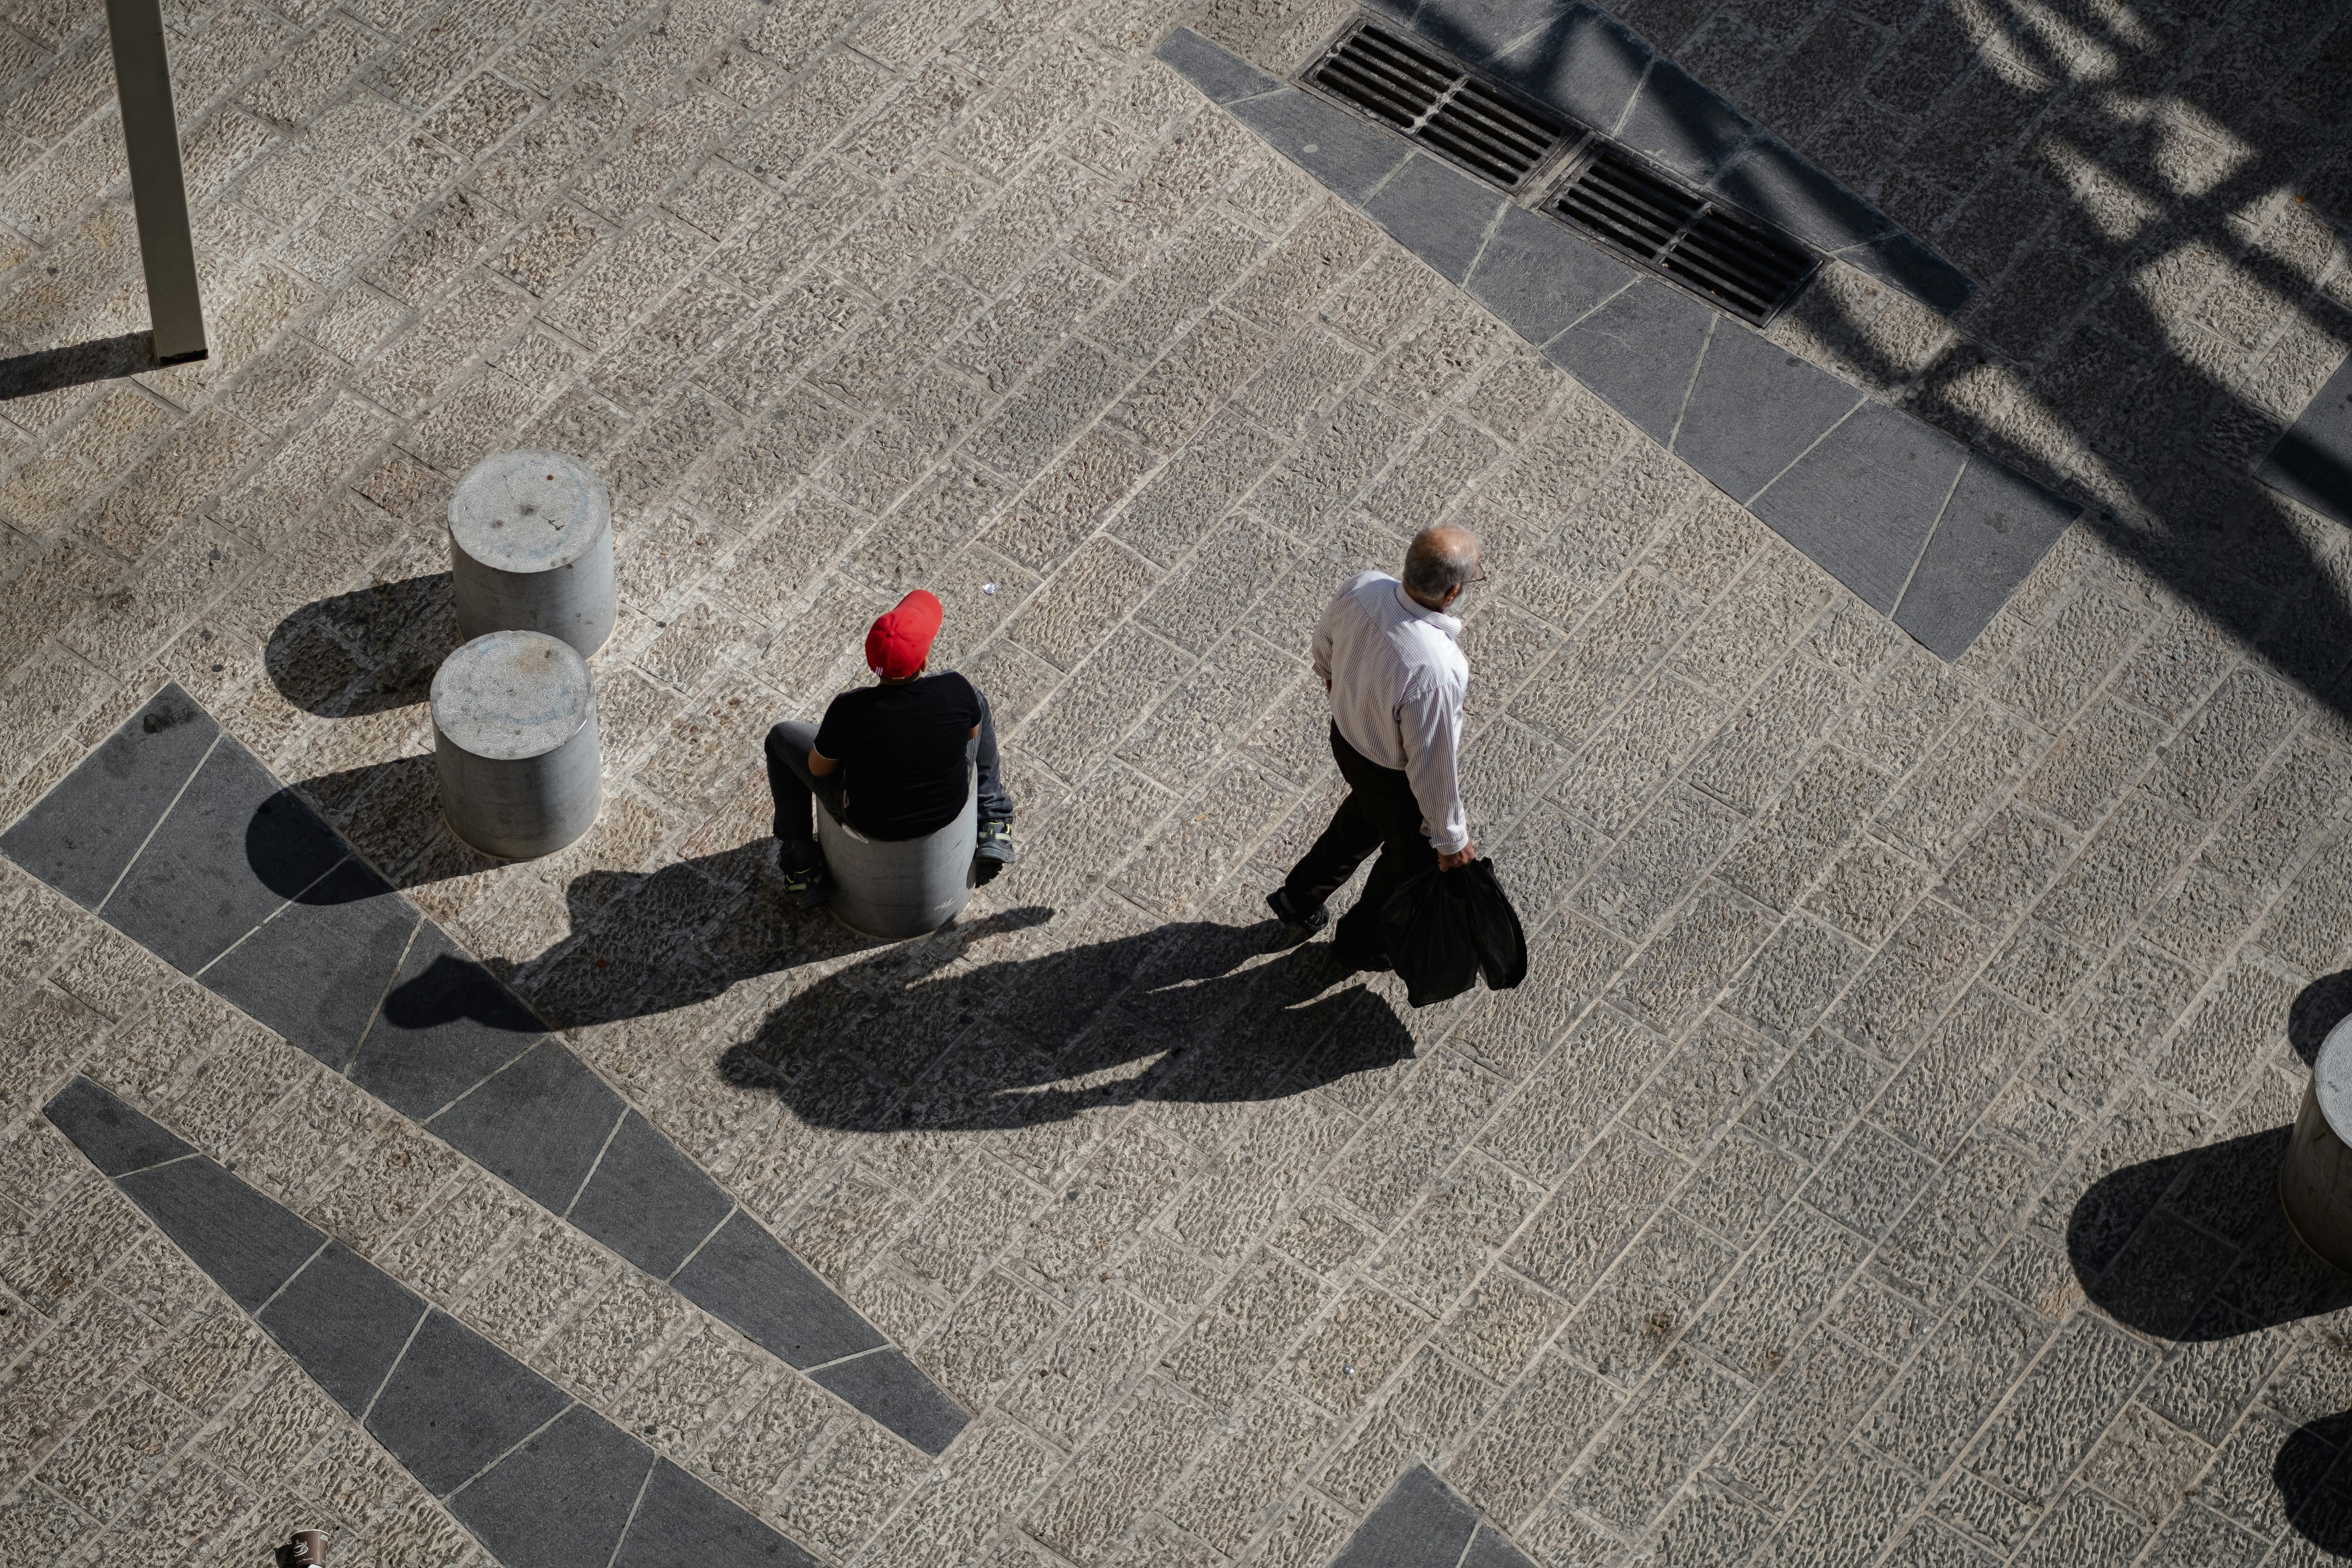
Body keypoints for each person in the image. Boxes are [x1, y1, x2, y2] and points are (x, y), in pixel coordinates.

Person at [1269, 525, 1480, 968]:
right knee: (1410, 860)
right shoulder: (1438, 670)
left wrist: (1333, 676)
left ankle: (1299, 896)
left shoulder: (1365, 587)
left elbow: (1323, 642)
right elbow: (1431, 763)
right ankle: (1359, 942)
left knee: (1364, 816)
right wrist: (1450, 838)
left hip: (1347, 741)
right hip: (1394, 776)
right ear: (1454, 591)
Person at [764, 590, 1015, 906]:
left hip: (870, 821)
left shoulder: (848, 709)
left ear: (871, 662)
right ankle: (993, 821)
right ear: (924, 661)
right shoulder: (954, 689)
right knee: (976, 701)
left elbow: (818, 769)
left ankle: (800, 869)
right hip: (947, 806)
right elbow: (972, 734)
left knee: (779, 739)